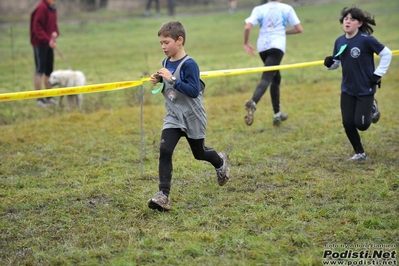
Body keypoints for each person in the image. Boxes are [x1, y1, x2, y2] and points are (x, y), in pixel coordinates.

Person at [147, 21, 230, 211]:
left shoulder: (190, 64)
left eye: (166, 42)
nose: (163, 47)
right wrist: (159, 80)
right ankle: (163, 195)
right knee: (165, 151)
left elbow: (193, 91)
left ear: (180, 40)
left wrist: (171, 79)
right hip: (174, 116)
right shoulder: (165, 63)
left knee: (199, 153)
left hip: (193, 116)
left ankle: (220, 161)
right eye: (161, 43)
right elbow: (168, 85)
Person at [324, 6, 392, 161]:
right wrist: (329, 63)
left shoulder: (366, 40)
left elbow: (386, 54)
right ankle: (360, 153)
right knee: (347, 123)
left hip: (365, 88)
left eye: (352, 19)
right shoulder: (339, 41)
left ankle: (372, 106)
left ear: (359, 23)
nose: (348, 22)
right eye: (346, 19)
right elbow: (335, 64)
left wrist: (378, 73)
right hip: (347, 89)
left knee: (361, 125)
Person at [243, 0, 303, 126]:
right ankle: (253, 102)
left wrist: (246, 43)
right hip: (277, 46)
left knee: (275, 77)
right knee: (267, 77)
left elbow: (248, 26)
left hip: (263, 47)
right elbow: (299, 29)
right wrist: (282, 31)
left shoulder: (259, 9)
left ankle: (277, 114)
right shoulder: (287, 8)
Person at [30, 0, 59, 107]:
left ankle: (49, 96)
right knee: (40, 70)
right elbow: (37, 27)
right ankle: (39, 99)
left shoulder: (53, 7)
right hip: (39, 43)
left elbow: (53, 24)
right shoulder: (41, 8)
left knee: (49, 70)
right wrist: (48, 40)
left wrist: (55, 33)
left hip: (48, 43)